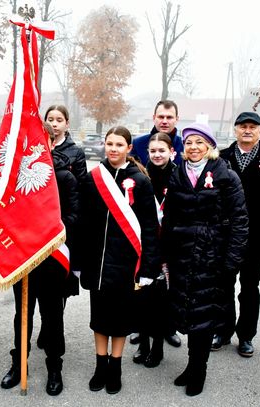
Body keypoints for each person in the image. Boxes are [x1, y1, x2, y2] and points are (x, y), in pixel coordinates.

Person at [161, 122, 248, 396]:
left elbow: (239, 221)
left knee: (205, 316)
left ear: (209, 145)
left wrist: (231, 260)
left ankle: (199, 370)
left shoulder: (226, 176)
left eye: (199, 142)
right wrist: (166, 254)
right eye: (188, 142)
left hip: (213, 257)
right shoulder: (177, 174)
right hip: (182, 256)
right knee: (187, 311)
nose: (193, 147)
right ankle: (190, 365)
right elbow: (170, 217)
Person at [79, 126, 159, 394]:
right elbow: (84, 223)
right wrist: (79, 261)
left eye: (119, 144)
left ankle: (115, 366)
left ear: (128, 148)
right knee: (99, 319)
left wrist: (148, 268)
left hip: (126, 266)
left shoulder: (141, 181)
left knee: (120, 321)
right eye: (109, 143)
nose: (113, 149)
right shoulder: (93, 178)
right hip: (97, 263)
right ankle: (100, 365)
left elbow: (149, 228)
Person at [0, 123, 79, 396]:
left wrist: (44, 234)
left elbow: (72, 217)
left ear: (48, 140)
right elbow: (5, 213)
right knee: (22, 314)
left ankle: (54, 366)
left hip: (50, 259)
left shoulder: (63, 177)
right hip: (21, 258)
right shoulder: (12, 177)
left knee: (52, 315)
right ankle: (18, 362)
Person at [214, 112, 260, 357]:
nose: (247, 130)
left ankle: (245, 336)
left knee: (249, 288)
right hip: (225, 236)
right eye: (243, 126)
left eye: (252, 127)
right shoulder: (221, 158)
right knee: (223, 286)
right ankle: (222, 331)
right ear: (235, 130)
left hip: (256, 238)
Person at [130, 99, 183, 347]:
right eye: (160, 116)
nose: (164, 120)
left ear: (176, 119)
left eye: (169, 117)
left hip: (172, 232)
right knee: (144, 284)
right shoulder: (139, 144)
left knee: (169, 287)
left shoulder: (186, 145)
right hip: (146, 232)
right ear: (154, 117)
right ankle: (141, 329)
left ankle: (168, 329)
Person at [34, 105, 87, 350]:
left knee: (58, 289)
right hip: (36, 231)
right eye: (50, 119)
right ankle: (46, 326)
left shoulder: (75, 153)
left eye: (59, 120)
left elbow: (82, 189)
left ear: (67, 123)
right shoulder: (35, 148)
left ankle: (50, 326)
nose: (54, 124)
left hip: (63, 229)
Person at [133, 132, 176, 368]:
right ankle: (143, 344)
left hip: (168, 246)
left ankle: (158, 346)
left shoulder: (179, 175)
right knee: (142, 296)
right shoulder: (140, 176)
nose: (157, 155)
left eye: (162, 150)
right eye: (153, 151)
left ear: (171, 152)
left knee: (161, 299)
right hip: (144, 244)